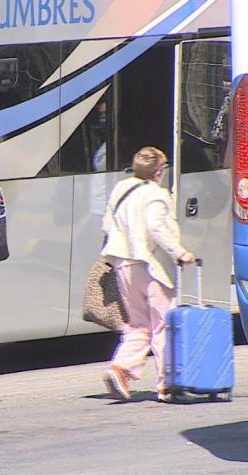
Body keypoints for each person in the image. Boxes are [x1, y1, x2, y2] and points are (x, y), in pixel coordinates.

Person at [100, 146, 195, 402]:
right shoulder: (156, 194)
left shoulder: (121, 189)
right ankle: (167, 384)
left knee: (138, 325)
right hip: (151, 266)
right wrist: (180, 252)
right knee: (163, 325)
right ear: (159, 171)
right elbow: (157, 228)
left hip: (123, 265)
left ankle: (120, 368)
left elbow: (107, 224)